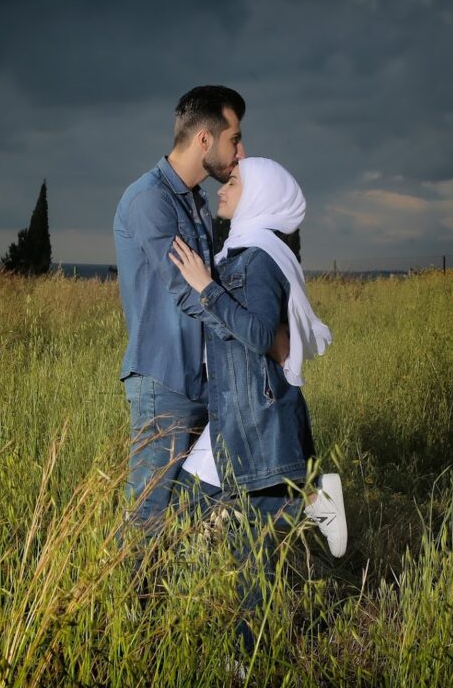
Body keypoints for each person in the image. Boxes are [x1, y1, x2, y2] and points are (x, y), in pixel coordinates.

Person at [167, 157, 347, 654]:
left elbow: (261, 333)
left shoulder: (259, 259)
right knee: (212, 519)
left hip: (252, 415)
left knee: (241, 533)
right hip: (234, 412)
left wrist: (206, 288)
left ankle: (248, 656)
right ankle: (309, 505)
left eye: (235, 182)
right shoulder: (241, 252)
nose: (224, 187)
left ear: (261, 195)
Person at [113, 86, 289, 536]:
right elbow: (187, 291)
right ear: (205, 141)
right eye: (235, 139)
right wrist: (252, 333)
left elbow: (211, 282)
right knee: (147, 511)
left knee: (198, 504)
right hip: (165, 379)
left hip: (204, 381)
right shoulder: (148, 200)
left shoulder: (194, 202)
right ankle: (128, 603)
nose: (241, 152)